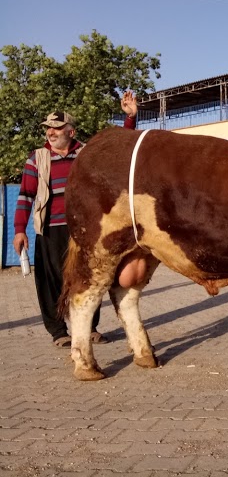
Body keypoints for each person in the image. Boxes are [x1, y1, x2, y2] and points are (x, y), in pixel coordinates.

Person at [13, 91, 139, 348]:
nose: (51, 132)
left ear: (71, 132)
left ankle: (90, 328)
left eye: (57, 128)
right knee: (51, 282)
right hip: (50, 229)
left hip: (82, 228)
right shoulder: (36, 159)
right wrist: (19, 230)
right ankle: (59, 331)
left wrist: (130, 119)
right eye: (48, 128)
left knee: (88, 278)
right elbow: (26, 196)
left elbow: (115, 150)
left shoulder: (87, 153)